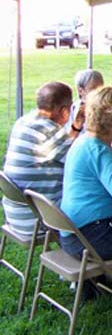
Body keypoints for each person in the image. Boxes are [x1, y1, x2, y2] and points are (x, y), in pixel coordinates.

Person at [60, 85, 112, 292]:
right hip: (92, 239)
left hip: (74, 233)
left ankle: (102, 286)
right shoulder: (97, 149)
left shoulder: (84, 142)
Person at [2, 82, 81, 235]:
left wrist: (76, 126)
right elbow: (80, 161)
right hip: (40, 218)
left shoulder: (24, 121)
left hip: (16, 214)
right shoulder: (47, 131)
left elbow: (62, 145)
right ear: (65, 111)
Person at [66, 69, 104, 133]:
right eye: (93, 88)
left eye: (101, 88)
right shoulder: (75, 110)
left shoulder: (106, 106)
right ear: (80, 90)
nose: (98, 92)